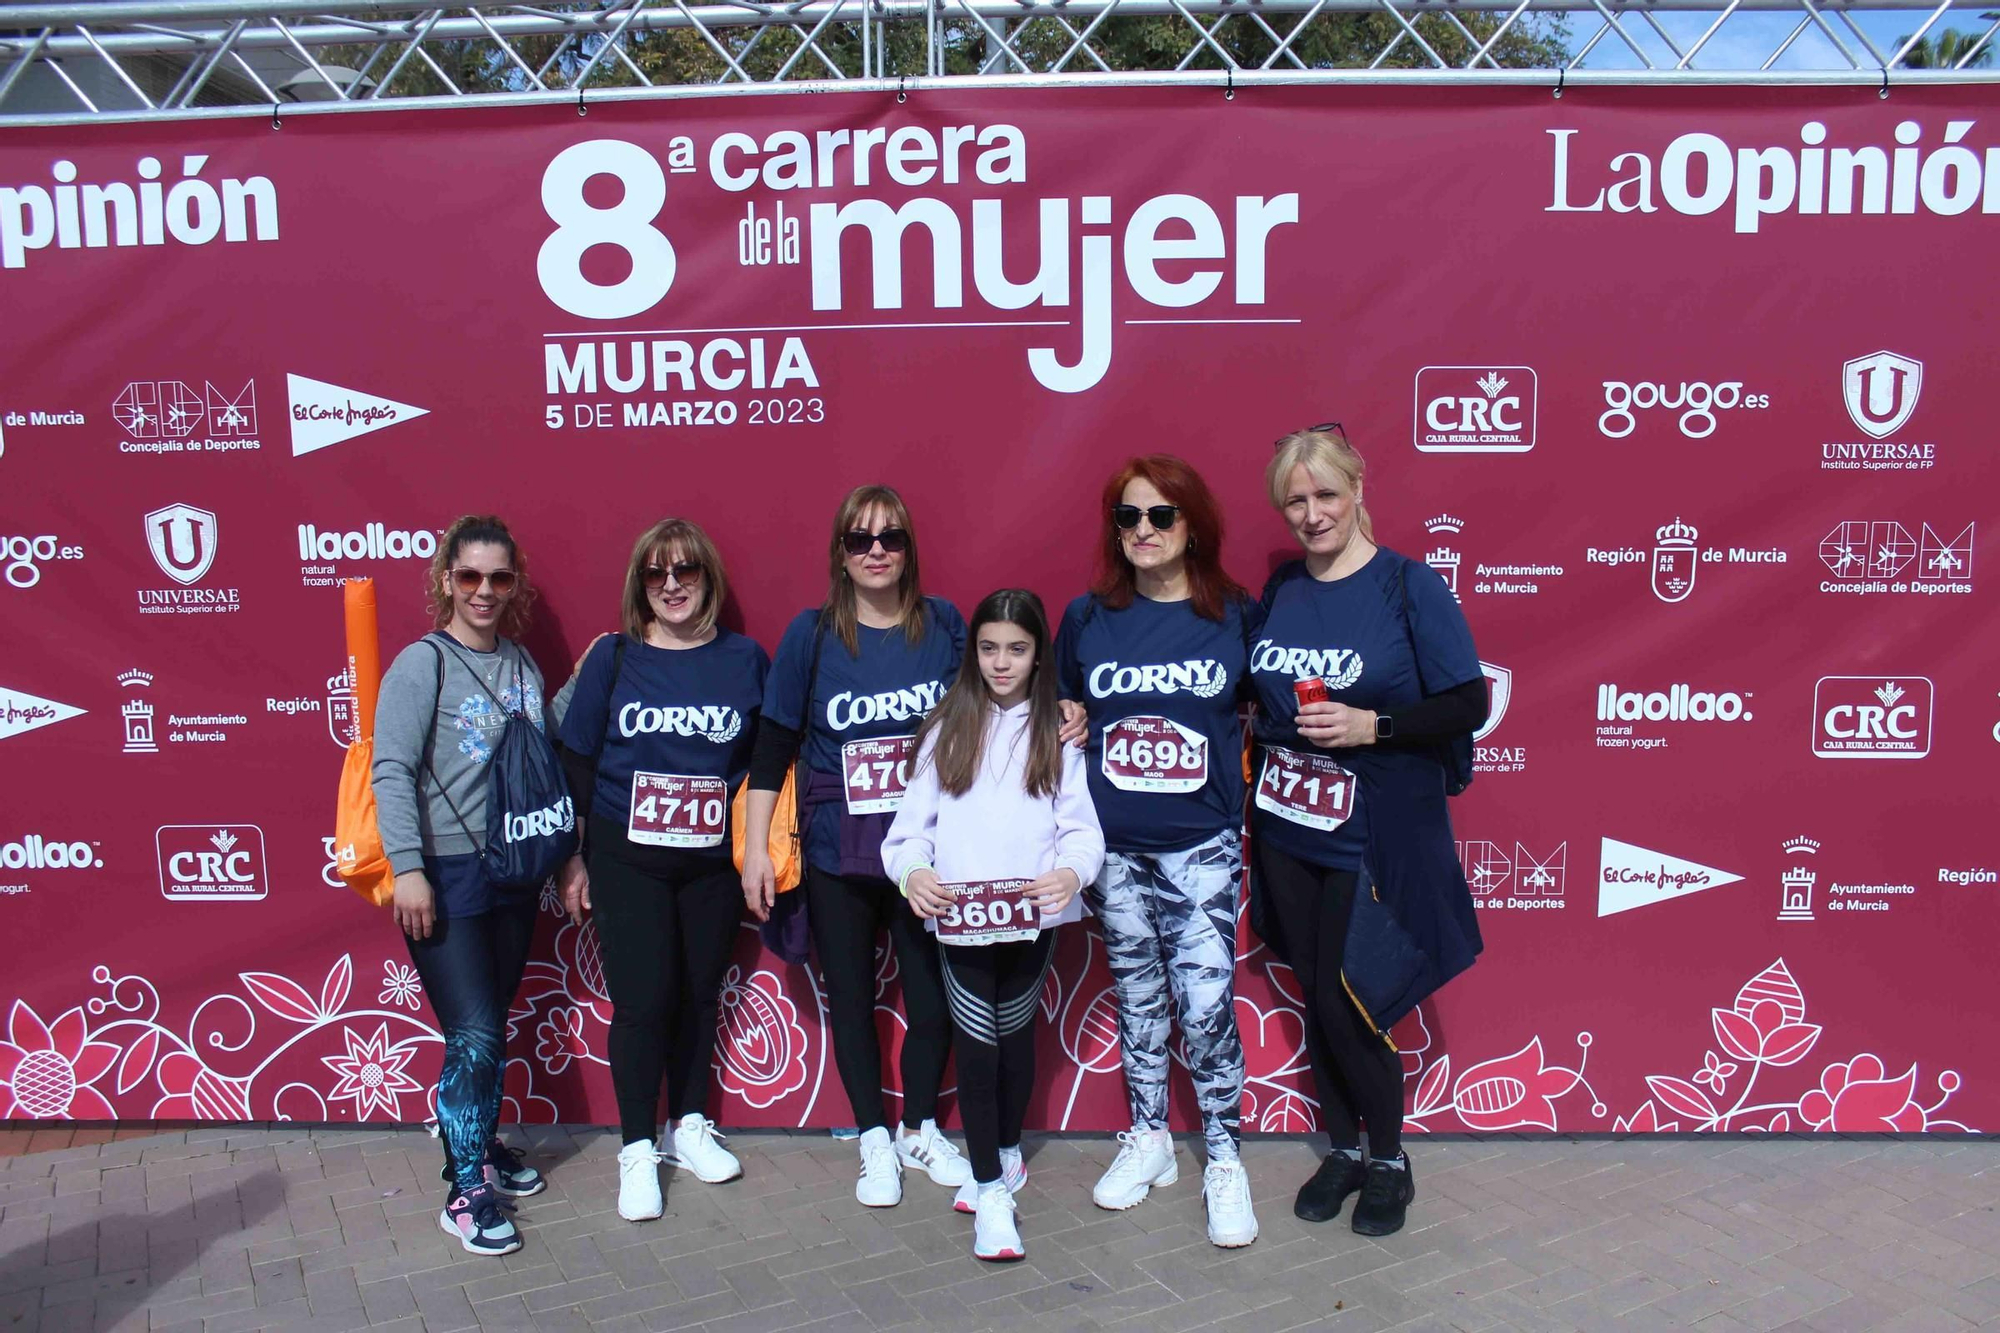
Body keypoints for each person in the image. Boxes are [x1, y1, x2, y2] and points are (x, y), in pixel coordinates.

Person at [1248, 425, 1487, 1238]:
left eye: (1325, 494)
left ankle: (1390, 1158)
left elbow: (1467, 703)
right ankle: (1343, 1150)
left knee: (1353, 1000)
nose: (1312, 513)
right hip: (1288, 826)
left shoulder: (1407, 586)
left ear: (1357, 490)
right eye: (1296, 500)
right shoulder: (1281, 589)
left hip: (1370, 832)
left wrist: (1373, 726)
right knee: (1315, 993)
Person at [740, 485, 972, 1205]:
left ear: (909, 549)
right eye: (860, 538)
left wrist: (1064, 711)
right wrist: (754, 847)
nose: (876, 550)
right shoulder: (810, 636)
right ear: (840, 552)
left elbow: (995, 711)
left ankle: (920, 1127)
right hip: (839, 852)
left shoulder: (943, 626)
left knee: (935, 1001)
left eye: (891, 537)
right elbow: (773, 745)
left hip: (925, 854)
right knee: (851, 997)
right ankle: (874, 1137)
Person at [1053, 456, 1259, 1248]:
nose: (1142, 530)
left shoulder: (1235, 613)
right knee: (1138, 1001)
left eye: (1160, 516)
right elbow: (1067, 704)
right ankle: (1149, 1139)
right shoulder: (1087, 616)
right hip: (1115, 848)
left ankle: (1223, 1157)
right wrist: (1070, 715)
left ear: (1192, 525)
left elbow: (1270, 707)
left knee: (1205, 1007)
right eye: (1128, 517)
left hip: (1201, 844)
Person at [551, 520, 767, 1223]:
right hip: (626, 856)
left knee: (701, 994)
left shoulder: (744, 659)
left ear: (708, 577)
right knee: (643, 1001)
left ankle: (691, 1124)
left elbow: (764, 761)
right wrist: (575, 853)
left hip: (710, 862)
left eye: (686, 571)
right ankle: (638, 1147)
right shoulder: (614, 658)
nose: (671, 585)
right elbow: (578, 758)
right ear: (638, 584)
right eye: (655, 573)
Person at [883, 589, 1105, 1263]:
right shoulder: (944, 728)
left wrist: (1071, 874)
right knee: (975, 1044)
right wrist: (912, 872)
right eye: (988, 648)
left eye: (1016, 648)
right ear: (971, 652)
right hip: (961, 923)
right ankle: (991, 1194)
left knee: (1013, 1037)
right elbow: (905, 835)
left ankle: (1006, 1152)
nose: (1001, 662)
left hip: (1034, 920)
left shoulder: (1058, 734)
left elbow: (1082, 830)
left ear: (1038, 654)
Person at [372, 514, 552, 1258]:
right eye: (470, 576)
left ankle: (477, 1136)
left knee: (487, 1027)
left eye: (498, 578)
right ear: (447, 578)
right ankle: (464, 1187)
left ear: (514, 585)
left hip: (510, 871)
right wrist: (408, 868)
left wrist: (607, 668)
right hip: (443, 874)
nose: (484, 590)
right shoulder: (423, 665)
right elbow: (392, 769)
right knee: (474, 1030)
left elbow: (541, 746)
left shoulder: (522, 664)